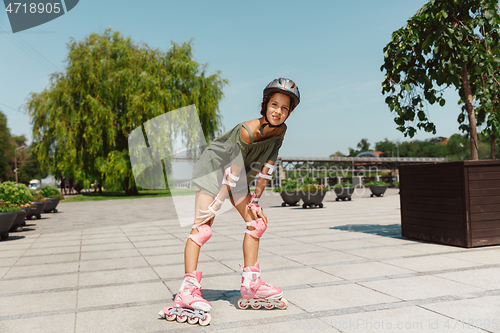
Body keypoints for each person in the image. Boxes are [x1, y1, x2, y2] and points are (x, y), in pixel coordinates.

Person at [159, 78, 300, 326]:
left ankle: (251, 284)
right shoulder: (247, 131)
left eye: (284, 108)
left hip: (239, 174)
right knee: (202, 228)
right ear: (265, 104)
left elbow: (266, 169)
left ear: (290, 111)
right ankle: (187, 291)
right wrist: (215, 205)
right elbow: (231, 175)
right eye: (274, 105)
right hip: (214, 168)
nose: (278, 111)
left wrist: (255, 201)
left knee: (256, 223)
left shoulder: (281, 131)